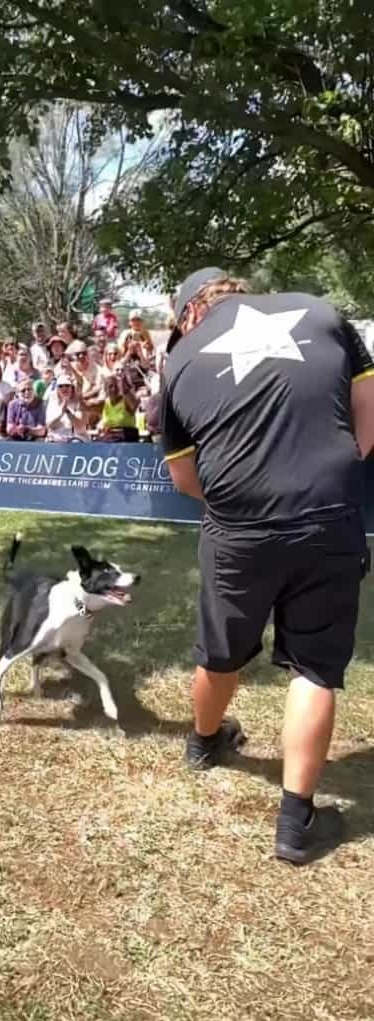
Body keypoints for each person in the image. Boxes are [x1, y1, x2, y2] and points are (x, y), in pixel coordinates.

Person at [160, 266, 374, 865]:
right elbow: (368, 413)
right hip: (327, 516)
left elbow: (183, 477)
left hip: (236, 530)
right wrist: (324, 479)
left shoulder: (177, 363)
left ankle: (204, 744)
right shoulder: (322, 312)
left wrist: (244, 497)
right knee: (315, 667)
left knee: (221, 648)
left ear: (190, 313)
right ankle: (294, 823)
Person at [97, 369, 138, 442]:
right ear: (106, 390)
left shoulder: (126, 399)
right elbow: (84, 406)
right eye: (111, 386)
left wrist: (125, 388)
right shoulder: (104, 404)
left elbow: (134, 405)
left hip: (125, 438)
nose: (114, 389)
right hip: (109, 440)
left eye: (116, 385)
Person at [45, 374, 89, 442]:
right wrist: (61, 414)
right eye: (61, 386)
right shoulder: (52, 402)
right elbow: (50, 426)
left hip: (76, 438)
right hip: (57, 438)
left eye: (67, 385)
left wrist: (68, 412)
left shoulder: (80, 403)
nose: (64, 388)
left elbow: (81, 428)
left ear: (72, 388)